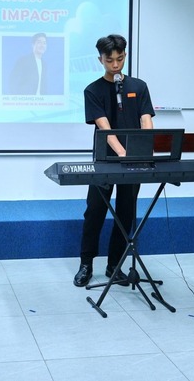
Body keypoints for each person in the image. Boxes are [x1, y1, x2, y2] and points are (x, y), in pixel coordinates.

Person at [74, 34, 154, 287]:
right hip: (105, 160)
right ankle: (86, 264)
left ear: (125, 56)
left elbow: (146, 119)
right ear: (100, 60)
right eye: (110, 60)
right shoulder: (93, 90)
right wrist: (122, 154)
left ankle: (114, 265)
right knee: (95, 211)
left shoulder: (139, 87)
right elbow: (105, 128)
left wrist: (145, 150)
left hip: (134, 161)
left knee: (126, 212)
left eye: (120, 59)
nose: (116, 65)